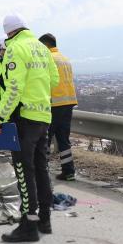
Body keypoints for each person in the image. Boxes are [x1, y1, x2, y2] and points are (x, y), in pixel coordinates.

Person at [0, 13, 59, 242]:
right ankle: (45, 219)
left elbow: (14, 86)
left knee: (24, 171)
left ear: (8, 32)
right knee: (41, 168)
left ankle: (28, 225)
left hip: (24, 119)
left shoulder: (15, 48)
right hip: (43, 116)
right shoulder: (41, 48)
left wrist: (0, 117)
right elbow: (54, 80)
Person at [39, 33, 78, 181]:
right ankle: (69, 171)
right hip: (68, 102)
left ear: (45, 45)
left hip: (54, 103)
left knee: (46, 138)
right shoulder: (65, 59)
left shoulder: (48, 59)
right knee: (63, 139)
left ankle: (43, 171)